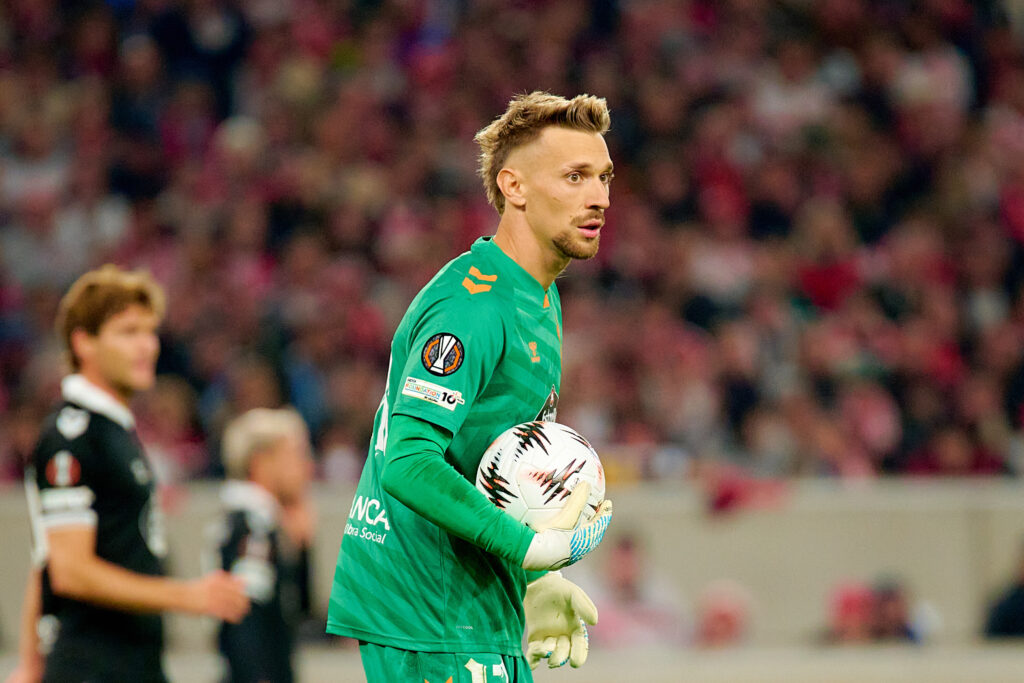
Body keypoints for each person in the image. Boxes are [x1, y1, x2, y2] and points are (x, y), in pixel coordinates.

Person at [327, 91, 615, 683]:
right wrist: (529, 548)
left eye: (604, 177)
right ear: (515, 187)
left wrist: (539, 580)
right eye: (575, 176)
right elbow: (408, 462)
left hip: (476, 607)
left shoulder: (537, 296)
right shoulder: (472, 307)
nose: (599, 198)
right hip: (429, 611)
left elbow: (499, 462)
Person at [7, 265, 250, 683]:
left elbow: (44, 554)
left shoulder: (113, 430)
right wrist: (188, 595)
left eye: (150, 332)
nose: (146, 345)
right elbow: (69, 569)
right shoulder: (73, 435)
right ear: (83, 342)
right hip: (93, 665)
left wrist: (30, 663)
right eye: (128, 332)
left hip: (130, 662)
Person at [212, 407, 316, 683]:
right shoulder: (254, 527)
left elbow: (299, 612)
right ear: (261, 463)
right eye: (296, 455)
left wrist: (301, 548)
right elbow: (245, 621)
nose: (307, 467)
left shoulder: (263, 524)